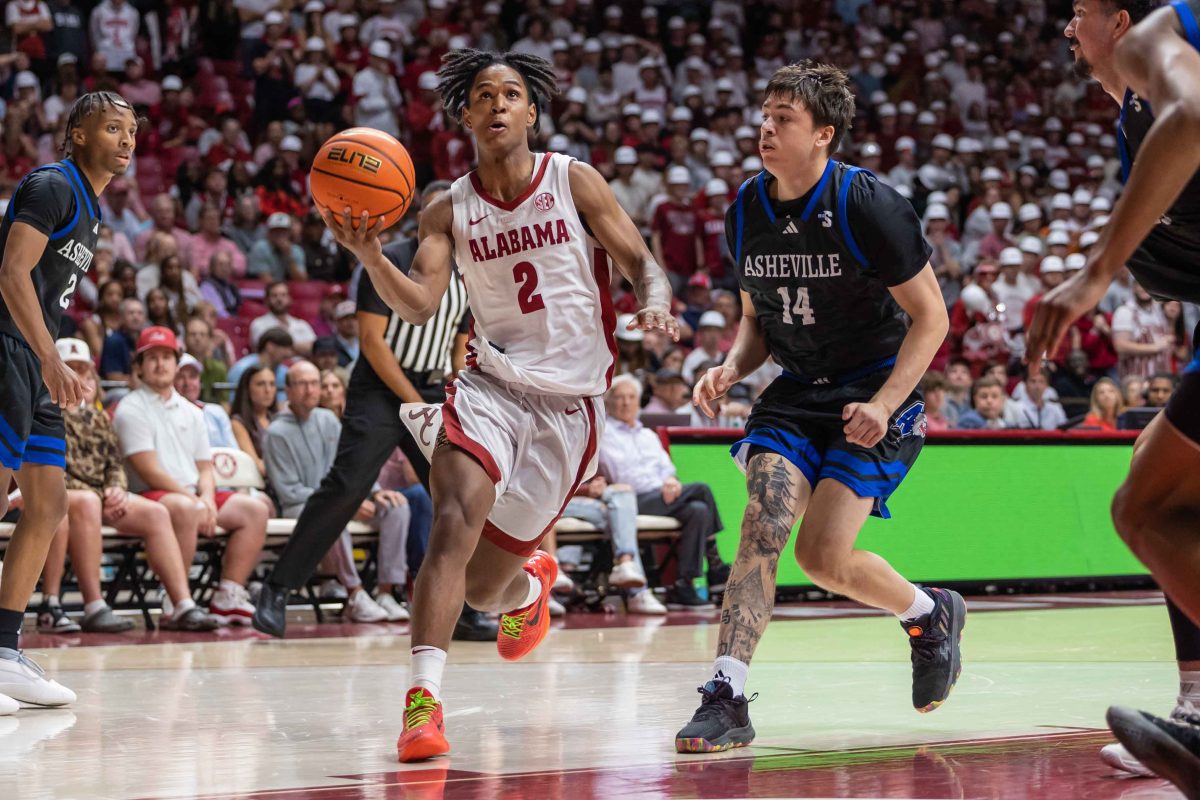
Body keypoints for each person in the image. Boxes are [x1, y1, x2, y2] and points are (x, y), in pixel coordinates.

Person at [312, 49, 677, 762]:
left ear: (532, 111)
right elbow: (419, 303)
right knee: (452, 520)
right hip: (490, 385)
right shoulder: (447, 205)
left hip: (569, 409)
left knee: (482, 590)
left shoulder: (573, 180)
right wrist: (372, 258)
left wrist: (656, 303)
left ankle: (528, 584)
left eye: (512, 94)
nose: (499, 105)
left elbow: (640, 263)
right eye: (484, 96)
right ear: (466, 114)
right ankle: (423, 705)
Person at [677, 62, 960, 754]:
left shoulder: (868, 203)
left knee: (825, 559)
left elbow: (932, 319)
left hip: (874, 388)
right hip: (798, 393)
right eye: (765, 115)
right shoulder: (747, 208)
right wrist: (730, 367)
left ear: (824, 134)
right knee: (764, 516)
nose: (766, 129)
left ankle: (929, 614)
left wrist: (886, 402)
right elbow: (758, 320)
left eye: (784, 119)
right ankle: (727, 693)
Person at [1025, 1, 1200, 785]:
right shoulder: (1131, 108)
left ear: (1120, 17)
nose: (1069, 28)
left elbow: (1193, 115)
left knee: (1146, 506)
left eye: (1080, 12)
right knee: (1159, 495)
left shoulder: (1158, 35)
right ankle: (1197, 706)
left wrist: (1097, 271)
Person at [251, 182, 490, 642]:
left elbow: (461, 341)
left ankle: (464, 607)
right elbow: (371, 343)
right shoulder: (390, 258)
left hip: (430, 387)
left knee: (458, 500)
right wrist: (414, 402)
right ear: (426, 214)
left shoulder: (471, 267)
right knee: (346, 486)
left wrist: (457, 388)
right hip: (379, 388)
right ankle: (276, 590)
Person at [0, 91, 138, 713]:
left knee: (48, 503)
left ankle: (3, 650)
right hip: (9, 350)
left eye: (132, 130)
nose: (126, 139)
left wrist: (52, 357)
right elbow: (11, 274)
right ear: (78, 134)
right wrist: (52, 357)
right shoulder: (53, 186)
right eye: (112, 127)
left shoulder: (92, 207)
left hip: (37, 357)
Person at [39, 339, 217, 633]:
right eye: (69, 369)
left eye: (83, 372)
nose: (77, 378)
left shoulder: (96, 417)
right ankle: (94, 605)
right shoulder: (42, 413)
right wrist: (99, 493)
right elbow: (46, 469)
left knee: (156, 513)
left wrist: (117, 488)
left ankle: (181, 604)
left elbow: (114, 462)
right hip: (65, 496)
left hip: (100, 497)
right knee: (86, 502)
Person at [113, 326, 268, 625]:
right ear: (140, 366)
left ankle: (228, 594)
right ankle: (175, 600)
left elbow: (205, 467)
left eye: (166, 357)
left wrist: (207, 498)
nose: (160, 364)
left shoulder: (193, 411)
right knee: (185, 509)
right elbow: (147, 469)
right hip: (150, 494)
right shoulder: (130, 408)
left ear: (176, 362)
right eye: (152, 358)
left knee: (255, 510)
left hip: (191, 492)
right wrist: (195, 499)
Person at [263, 361, 409, 623]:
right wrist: (347, 503)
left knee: (397, 506)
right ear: (287, 390)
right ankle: (355, 594)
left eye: (314, 384)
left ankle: (386, 591)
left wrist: (373, 493)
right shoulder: (275, 432)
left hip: (342, 499)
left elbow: (353, 466)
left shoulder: (329, 419)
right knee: (331, 515)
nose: (310, 390)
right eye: (302, 384)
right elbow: (289, 492)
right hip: (301, 506)